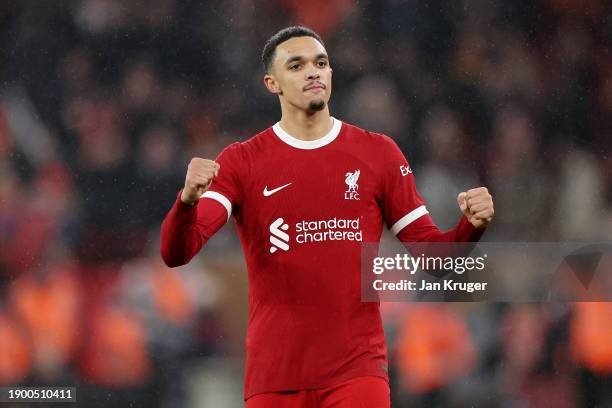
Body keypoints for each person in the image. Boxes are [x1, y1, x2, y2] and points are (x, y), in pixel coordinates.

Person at [160, 26, 494, 408]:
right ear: (273, 83)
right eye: (297, 65)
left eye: (321, 63)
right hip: (276, 377)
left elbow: (435, 259)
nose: (313, 72)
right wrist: (186, 202)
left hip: (357, 374)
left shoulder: (378, 153)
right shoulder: (241, 161)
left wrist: (471, 227)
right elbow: (177, 252)